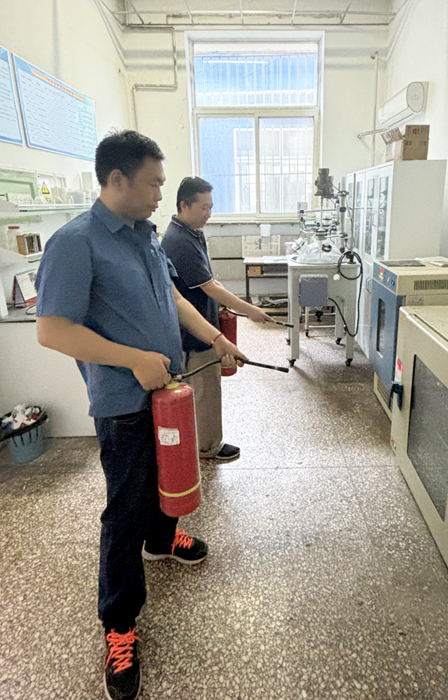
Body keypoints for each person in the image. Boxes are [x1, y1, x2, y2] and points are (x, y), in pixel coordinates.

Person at [35, 131, 247, 700]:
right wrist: (133, 359)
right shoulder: (75, 243)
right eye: (153, 183)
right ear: (117, 179)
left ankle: (164, 538)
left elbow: (172, 298)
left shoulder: (145, 236)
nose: (160, 194)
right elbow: (52, 330)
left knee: (167, 478)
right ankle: (120, 625)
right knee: (125, 509)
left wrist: (215, 339)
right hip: (124, 403)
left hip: (168, 391)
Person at [161, 177, 272, 462]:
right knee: (205, 391)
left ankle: (200, 441)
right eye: (204, 207)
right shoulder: (179, 241)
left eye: (211, 207)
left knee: (204, 389)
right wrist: (249, 309)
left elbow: (208, 281)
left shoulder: (192, 232)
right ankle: (207, 447)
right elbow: (210, 288)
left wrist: (225, 305)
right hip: (195, 334)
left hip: (203, 321)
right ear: (184, 206)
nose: (209, 213)